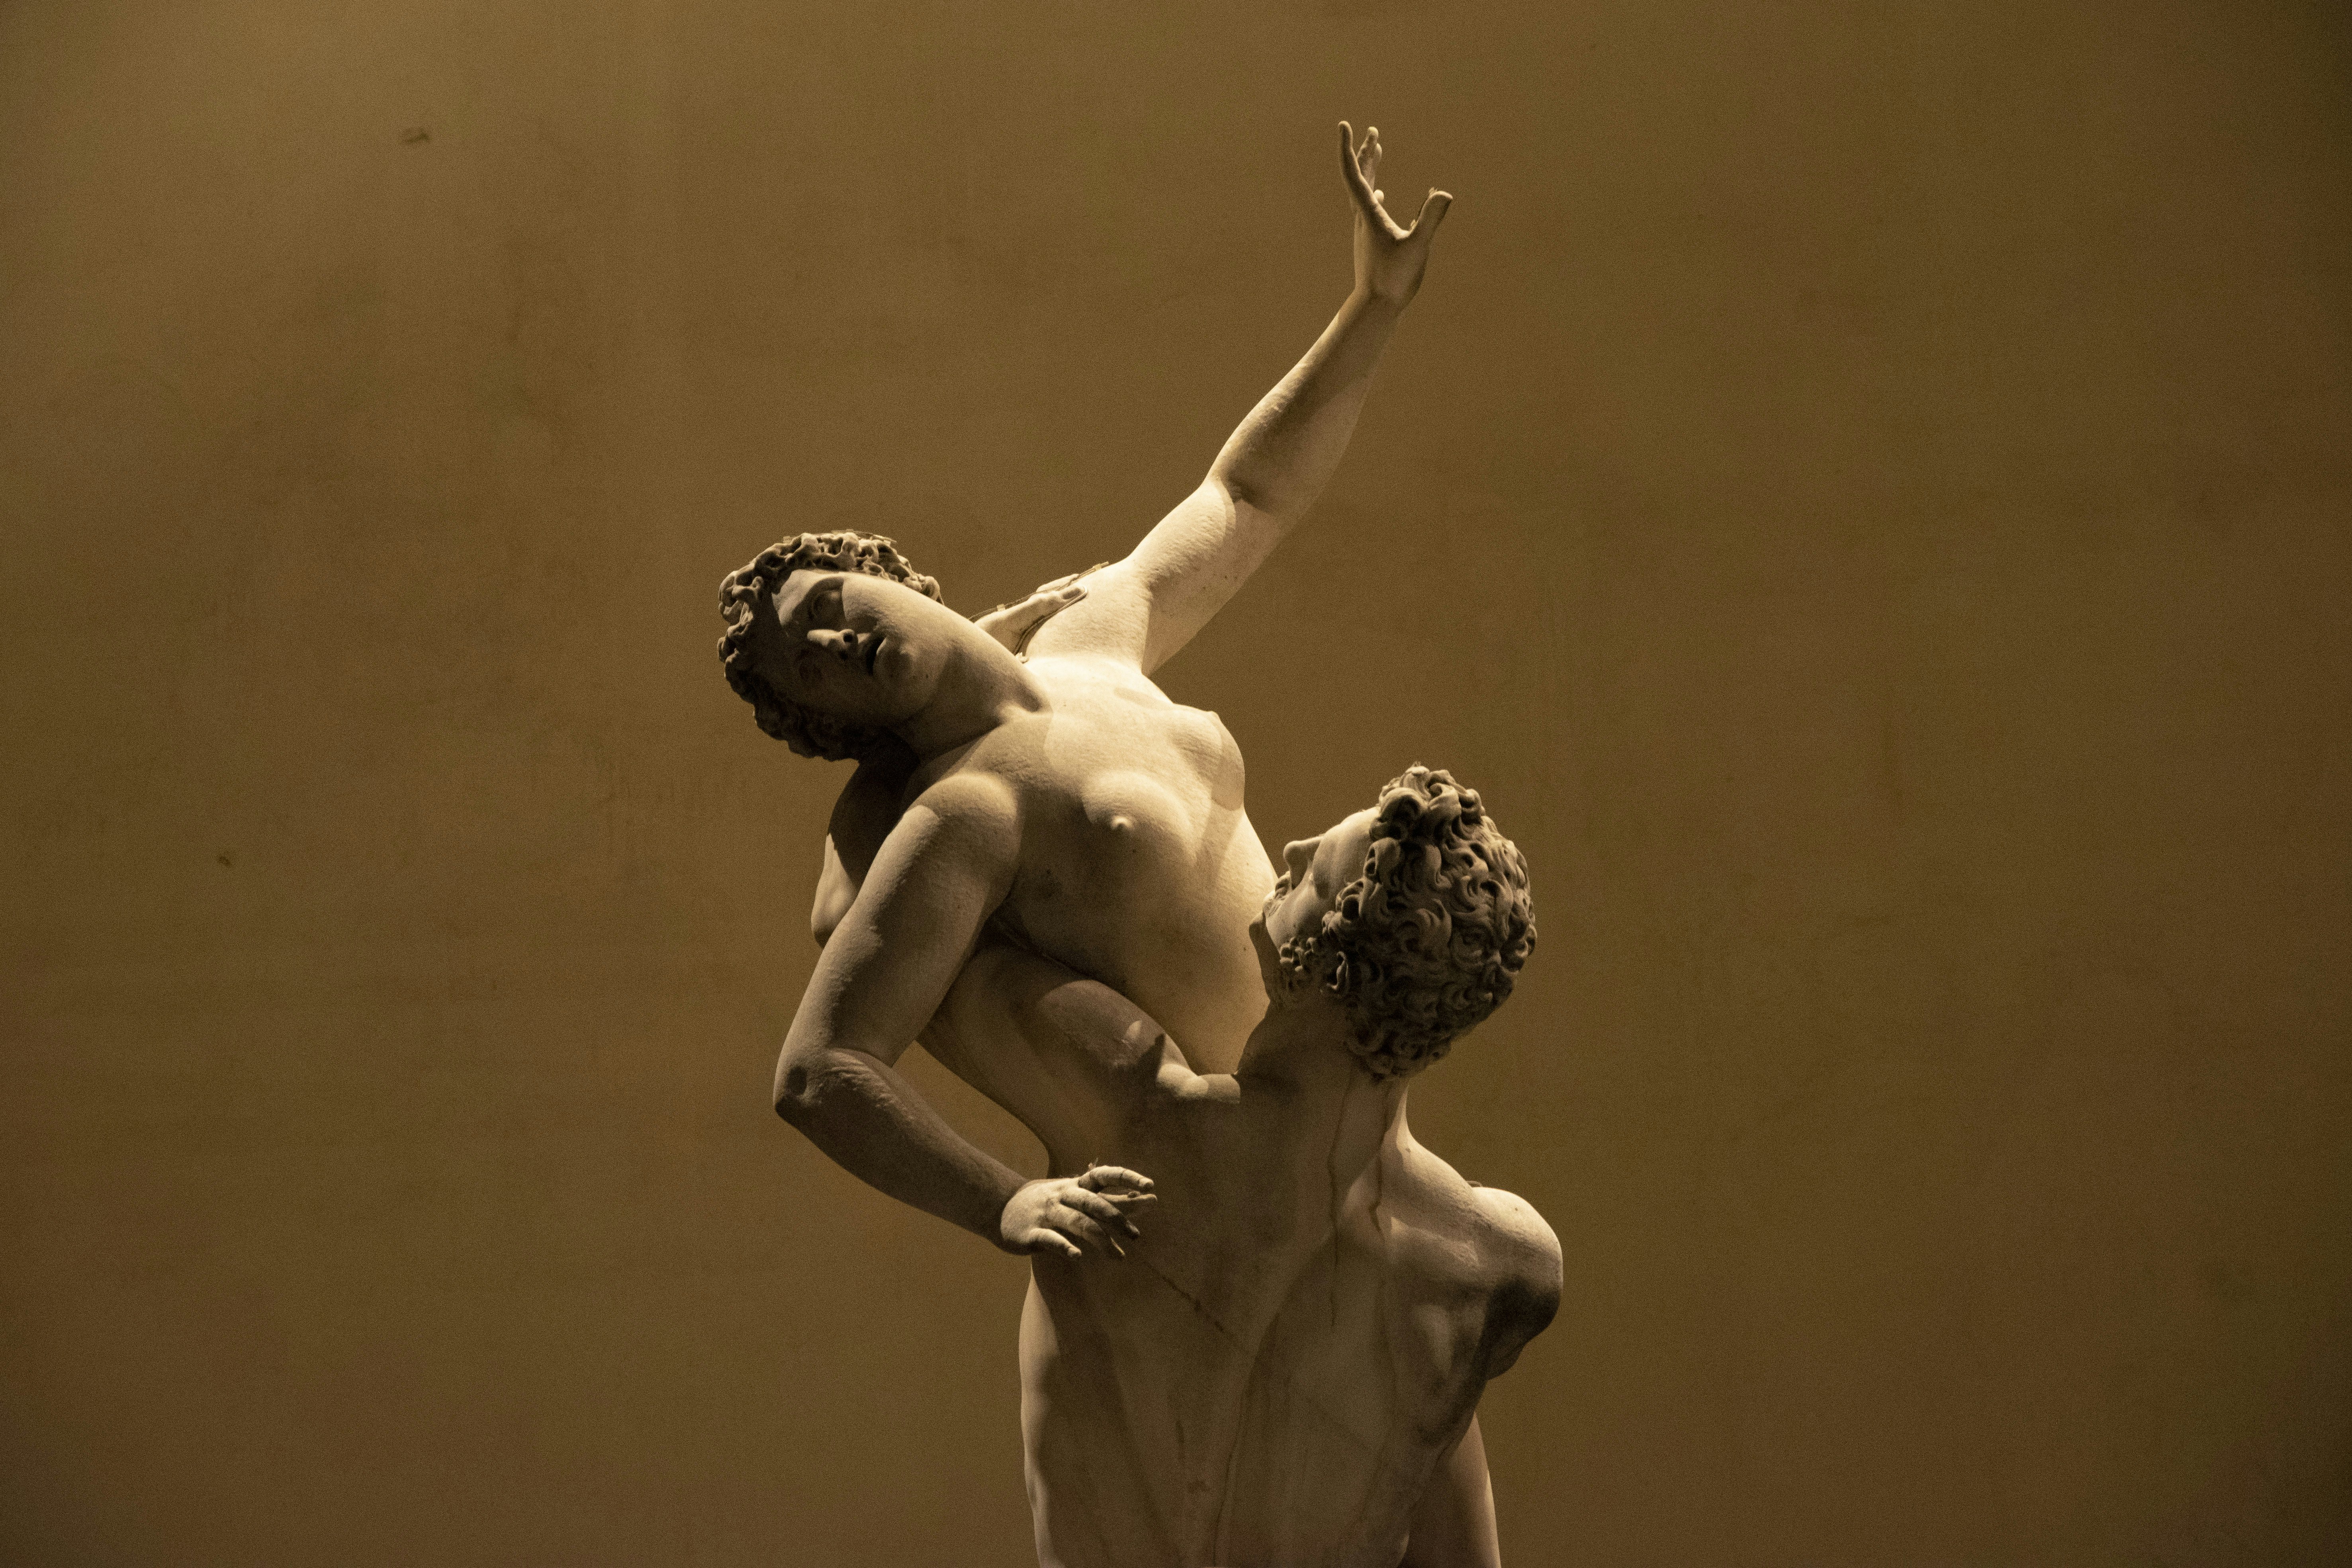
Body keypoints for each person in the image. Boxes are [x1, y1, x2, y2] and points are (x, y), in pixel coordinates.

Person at [717, 122, 1450, 1262]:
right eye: (806, 670)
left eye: (826, 605)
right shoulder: (964, 814)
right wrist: (1001, 1200)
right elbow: (820, 1068)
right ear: (830, 724)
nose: (829, 644)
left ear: (885, 574)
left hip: (1364, 1129)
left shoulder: (1095, 636)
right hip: (1235, 1189)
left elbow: (1248, 495)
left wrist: (1374, 305)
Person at [926, 767, 1557, 1568]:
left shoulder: (1127, 1105)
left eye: (1316, 872)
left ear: (1324, 964)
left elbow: (875, 935)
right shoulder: (1500, 1261)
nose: (1286, 848)